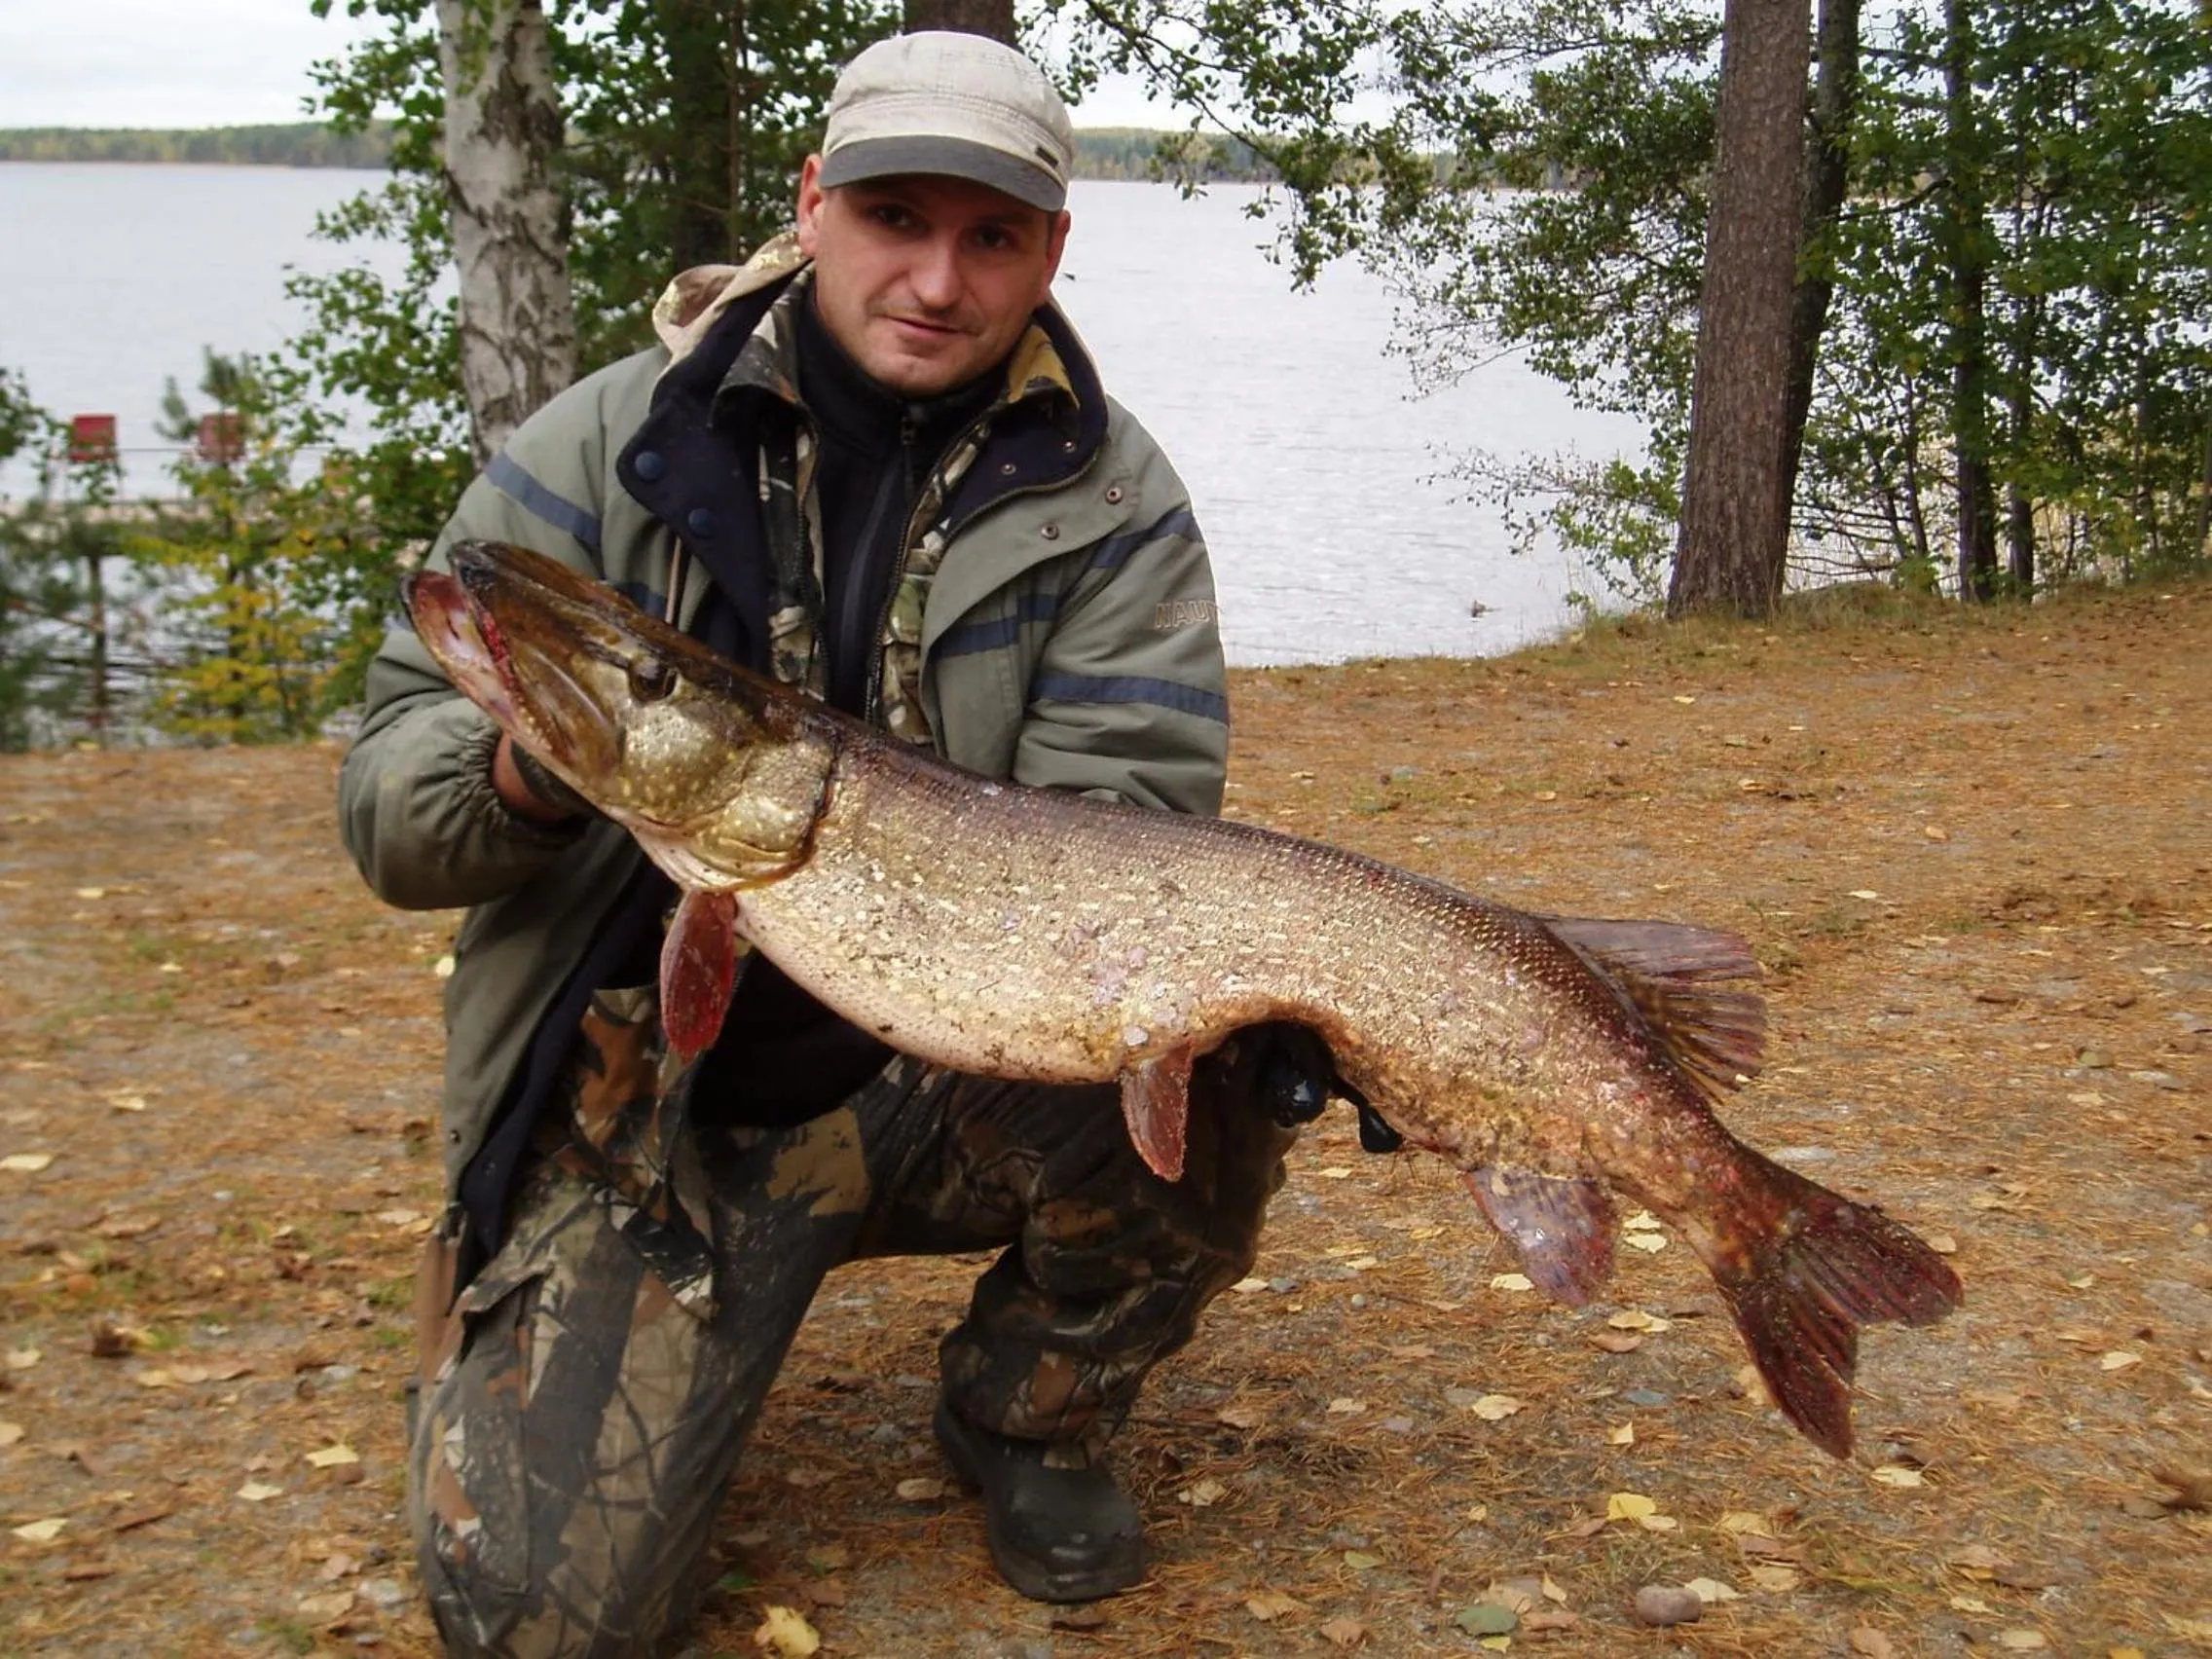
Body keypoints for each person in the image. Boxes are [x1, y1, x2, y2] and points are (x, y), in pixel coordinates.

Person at [339, 30, 1338, 1657]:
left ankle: (1030, 1409)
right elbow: (386, 818)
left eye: (992, 236)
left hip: (952, 1058)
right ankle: (538, 1308)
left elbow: (1132, 832)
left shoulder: (1112, 498)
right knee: (541, 1622)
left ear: (1049, 254)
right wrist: (526, 777)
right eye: (894, 218)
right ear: (812, 208)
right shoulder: (607, 447)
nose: (937, 279)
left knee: (1213, 1055)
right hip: (639, 1101)